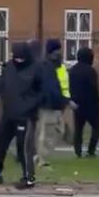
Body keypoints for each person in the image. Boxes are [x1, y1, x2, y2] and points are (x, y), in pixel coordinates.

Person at [0, 41, 41, 189]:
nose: (19, 60)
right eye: (16, 57)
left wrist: (29, 106)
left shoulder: (36, 69)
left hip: (25, 115)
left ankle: (28, 177)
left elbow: (41, 91)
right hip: (8, 112)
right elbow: (2, 84)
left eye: (21, 58)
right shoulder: (9, 67)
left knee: (24, 147)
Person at [35, 39, 71, 168]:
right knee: (48, 133)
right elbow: (50, 87)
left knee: (55, 131)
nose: (60, 53)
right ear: (51, 52)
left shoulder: (53, 66)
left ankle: (39, 156)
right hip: (49, 105)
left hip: (55, 105)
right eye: (57, 50)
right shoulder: (47, 66)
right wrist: (65, 101)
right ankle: (42, 159)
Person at [69, 47, 99, 157]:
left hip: (77, 104)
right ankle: (91, 150)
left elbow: (69, 87)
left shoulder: (72, 70)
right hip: (90, 105)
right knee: (97, 125)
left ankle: (77, 151)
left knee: (78, 129)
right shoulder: (91, 71)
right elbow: (94, 88)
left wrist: (71, 100)